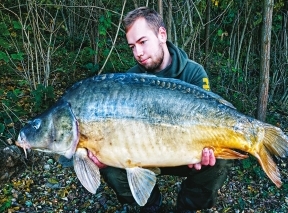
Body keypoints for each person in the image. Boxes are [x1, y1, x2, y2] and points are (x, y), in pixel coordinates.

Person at [97, 7, 233, 213]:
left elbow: (207, 120)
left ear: (162, 34)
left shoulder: (194, 72)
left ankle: (187, 206)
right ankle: (150, 204)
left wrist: (203, 149)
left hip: (184, 153)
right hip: (144, 154)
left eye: (143, 42)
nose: (138, 53)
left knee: (219, 160)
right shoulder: (129, 80)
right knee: (110, 165)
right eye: (132, 46)